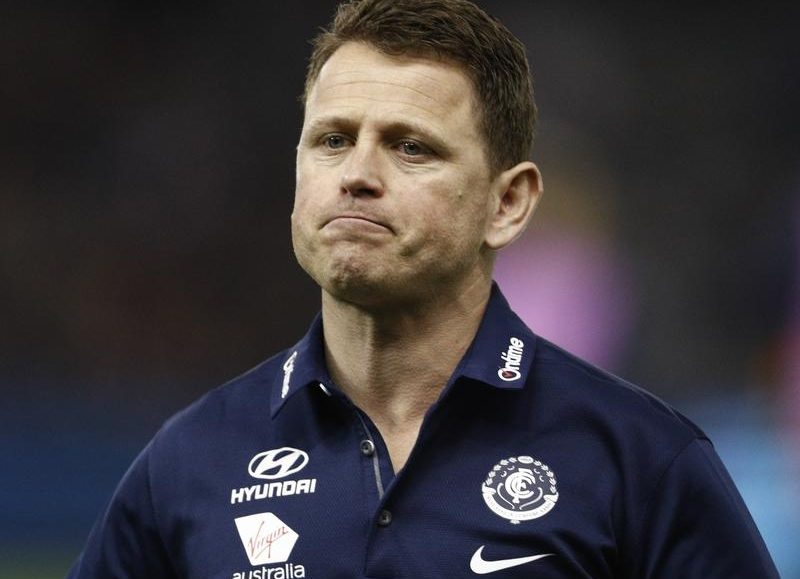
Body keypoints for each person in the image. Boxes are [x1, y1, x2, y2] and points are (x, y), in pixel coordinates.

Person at [68, 0, 779, 577]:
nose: (357, 174)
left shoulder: (642, 460)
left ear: (508, 204)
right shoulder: (188, 461)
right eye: (332, 140)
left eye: (411, 147)